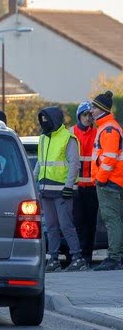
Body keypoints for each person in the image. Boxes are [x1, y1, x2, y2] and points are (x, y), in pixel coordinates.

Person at [34, 107, 87, 272]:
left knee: (66, 225)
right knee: (50, 226)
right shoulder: (43, 138)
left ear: (55, 119)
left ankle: (78, 258)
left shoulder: (68, 138)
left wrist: (69, 186)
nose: (44, 123)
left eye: (46, 119)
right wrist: (32, 180)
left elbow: (74, 165)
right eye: (42, 120)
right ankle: (53, 259)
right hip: (46, 190)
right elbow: (40, 162)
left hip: (62, 191)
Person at [89, 91, 123, 271]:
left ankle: (114, 257)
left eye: (94, 107)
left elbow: (109, 159)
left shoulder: (108, 129)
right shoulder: (108, 127)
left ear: (102, 109)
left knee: (112, 220)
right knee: (115, 219)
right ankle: (118, 256)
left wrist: (100, 180)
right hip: (113, 181)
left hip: (110, 183)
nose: (91, 110)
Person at [71, 101, 99, 263]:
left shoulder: (96, 133)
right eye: (84, 115)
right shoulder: (71, 133)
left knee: (90, 224)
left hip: (92, 186)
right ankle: (77, 255)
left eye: (90, 115)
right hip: (75, 187)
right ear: (79, 116)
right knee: (77, 224)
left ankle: (86, 257)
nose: (88, 118)